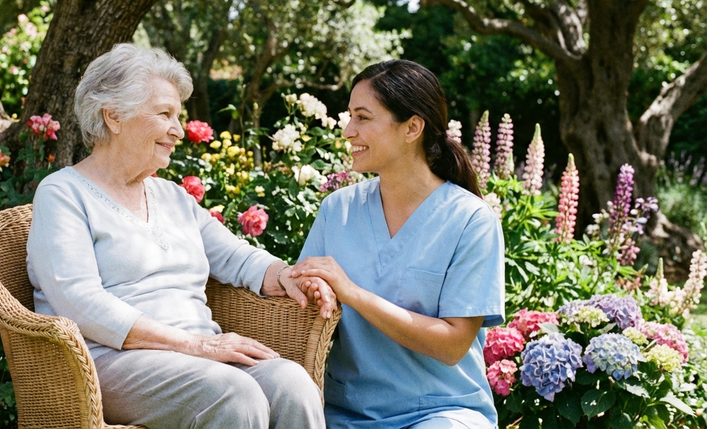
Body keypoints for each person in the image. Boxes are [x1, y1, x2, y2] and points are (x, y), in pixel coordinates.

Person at [26, 43, 334, 429]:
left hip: (198, 357)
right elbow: (79, 302)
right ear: (114, 116)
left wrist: (286, 275)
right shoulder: (64, 193)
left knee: (292, 383)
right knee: (233, 393)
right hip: (108, 360)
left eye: (178, 116)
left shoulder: (171, 196)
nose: (178, 129)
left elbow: (235, 256)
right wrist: (196, 345)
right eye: (164, 114)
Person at [291, 59, 505, 428]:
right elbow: (299, 302)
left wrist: (352, 293)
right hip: (344, 415)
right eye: (350, 117)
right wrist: (309, 288)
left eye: (363, 117)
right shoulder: (337, 210)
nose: (348, 131)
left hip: (441, 413)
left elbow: (452, 345)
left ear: (412, 128)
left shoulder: (471, 220)